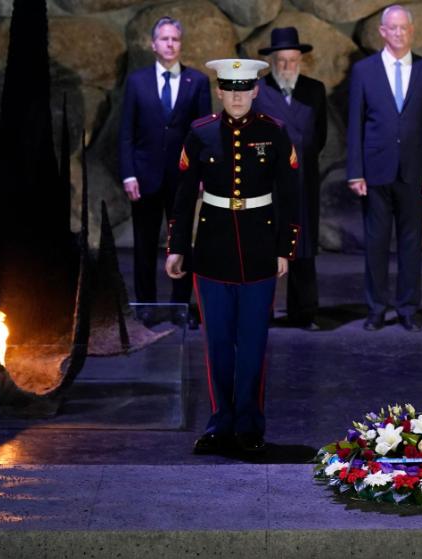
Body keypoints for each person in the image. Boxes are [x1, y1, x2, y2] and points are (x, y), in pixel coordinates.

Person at [165, 58, 300, 455]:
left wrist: (285, 249)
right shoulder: (201, 132)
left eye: (245, 88)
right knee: (218, 344)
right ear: (220, 91)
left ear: (256, 90)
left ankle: (248, 425)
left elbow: (290, 194)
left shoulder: (273, 132)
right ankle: (220, 424)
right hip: (211, 251)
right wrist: (176, 247)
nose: (238, 96)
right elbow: (184, 193)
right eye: (230, 88)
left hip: (259, 251)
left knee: (253, 343)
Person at [346, 4, 422, 332]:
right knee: (375, 242)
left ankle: (408, 308)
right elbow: (356, 123)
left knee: (411, 243)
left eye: (404, 28)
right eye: (393, 28)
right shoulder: (364, 71)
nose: (399, 33)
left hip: (415, 173)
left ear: (411, 31)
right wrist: (355, 171)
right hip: (374, 171)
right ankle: (375, 309)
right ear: (382, 32)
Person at [118, 16, 211, 325]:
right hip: (144, 177)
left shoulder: (196, 81)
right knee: (144, 244)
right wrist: (128, 174)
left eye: (175, 39)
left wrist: (200, 175)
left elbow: (202, 134)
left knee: (181, 242)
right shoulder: (137, 82)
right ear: (153, 44)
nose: (170, 44)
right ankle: (145, 305)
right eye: (165, 39)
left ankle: (179, 306)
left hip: (183, 178)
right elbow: (126, 133)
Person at [251, 27, 328, 332]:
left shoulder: (315, 90)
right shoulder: (258, 91)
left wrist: (301, 159)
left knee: (303, 247)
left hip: (303, 181)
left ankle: (304, 311)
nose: (286, 66)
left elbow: (319, 136)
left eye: (292, 60)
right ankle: (262, 310)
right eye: (281, 60)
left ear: (300, 60)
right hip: (268, 183)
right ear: (272, 61)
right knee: (266, 246)